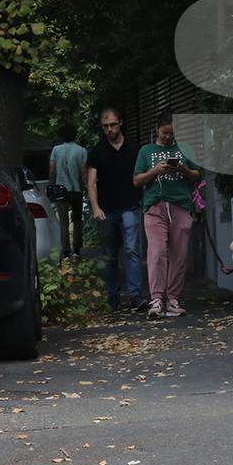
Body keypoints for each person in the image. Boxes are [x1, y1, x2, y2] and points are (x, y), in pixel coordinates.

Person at [133, 110, 202, 319]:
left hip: (181, 205)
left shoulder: (185, 149)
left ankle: (173, 298)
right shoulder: (146, 151)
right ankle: (156, 298)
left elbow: (197, 175)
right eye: (164, 133)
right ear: (157, 129)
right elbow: (137, 180)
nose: (168, 137)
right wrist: (155, 171)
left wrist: (183, 170)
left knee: (179, 255)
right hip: (155, 206)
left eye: (172, 134)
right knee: (156, 252)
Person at [87, 106, 146, 311]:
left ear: (120, 123)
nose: (109, 129)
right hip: (107, 209)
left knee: (132, 251)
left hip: (130, 205)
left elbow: (142, 176)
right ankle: (113, 297)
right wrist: (95, 207)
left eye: (112, 124)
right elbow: (91, 182)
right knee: (110, 256)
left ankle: (136, 296)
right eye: (105, 126)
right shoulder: (97, 151)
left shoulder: (134, 148)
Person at [48, 132, 89, 260]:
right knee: (77, 221)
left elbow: (52, 170)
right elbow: (83, 173)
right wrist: (86, 187)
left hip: (61, 190)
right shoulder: (81, 151)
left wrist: (52, 185)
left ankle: (65, 252)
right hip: (76, 190)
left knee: (63, 222)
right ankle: (76, 251)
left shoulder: (56, 150)